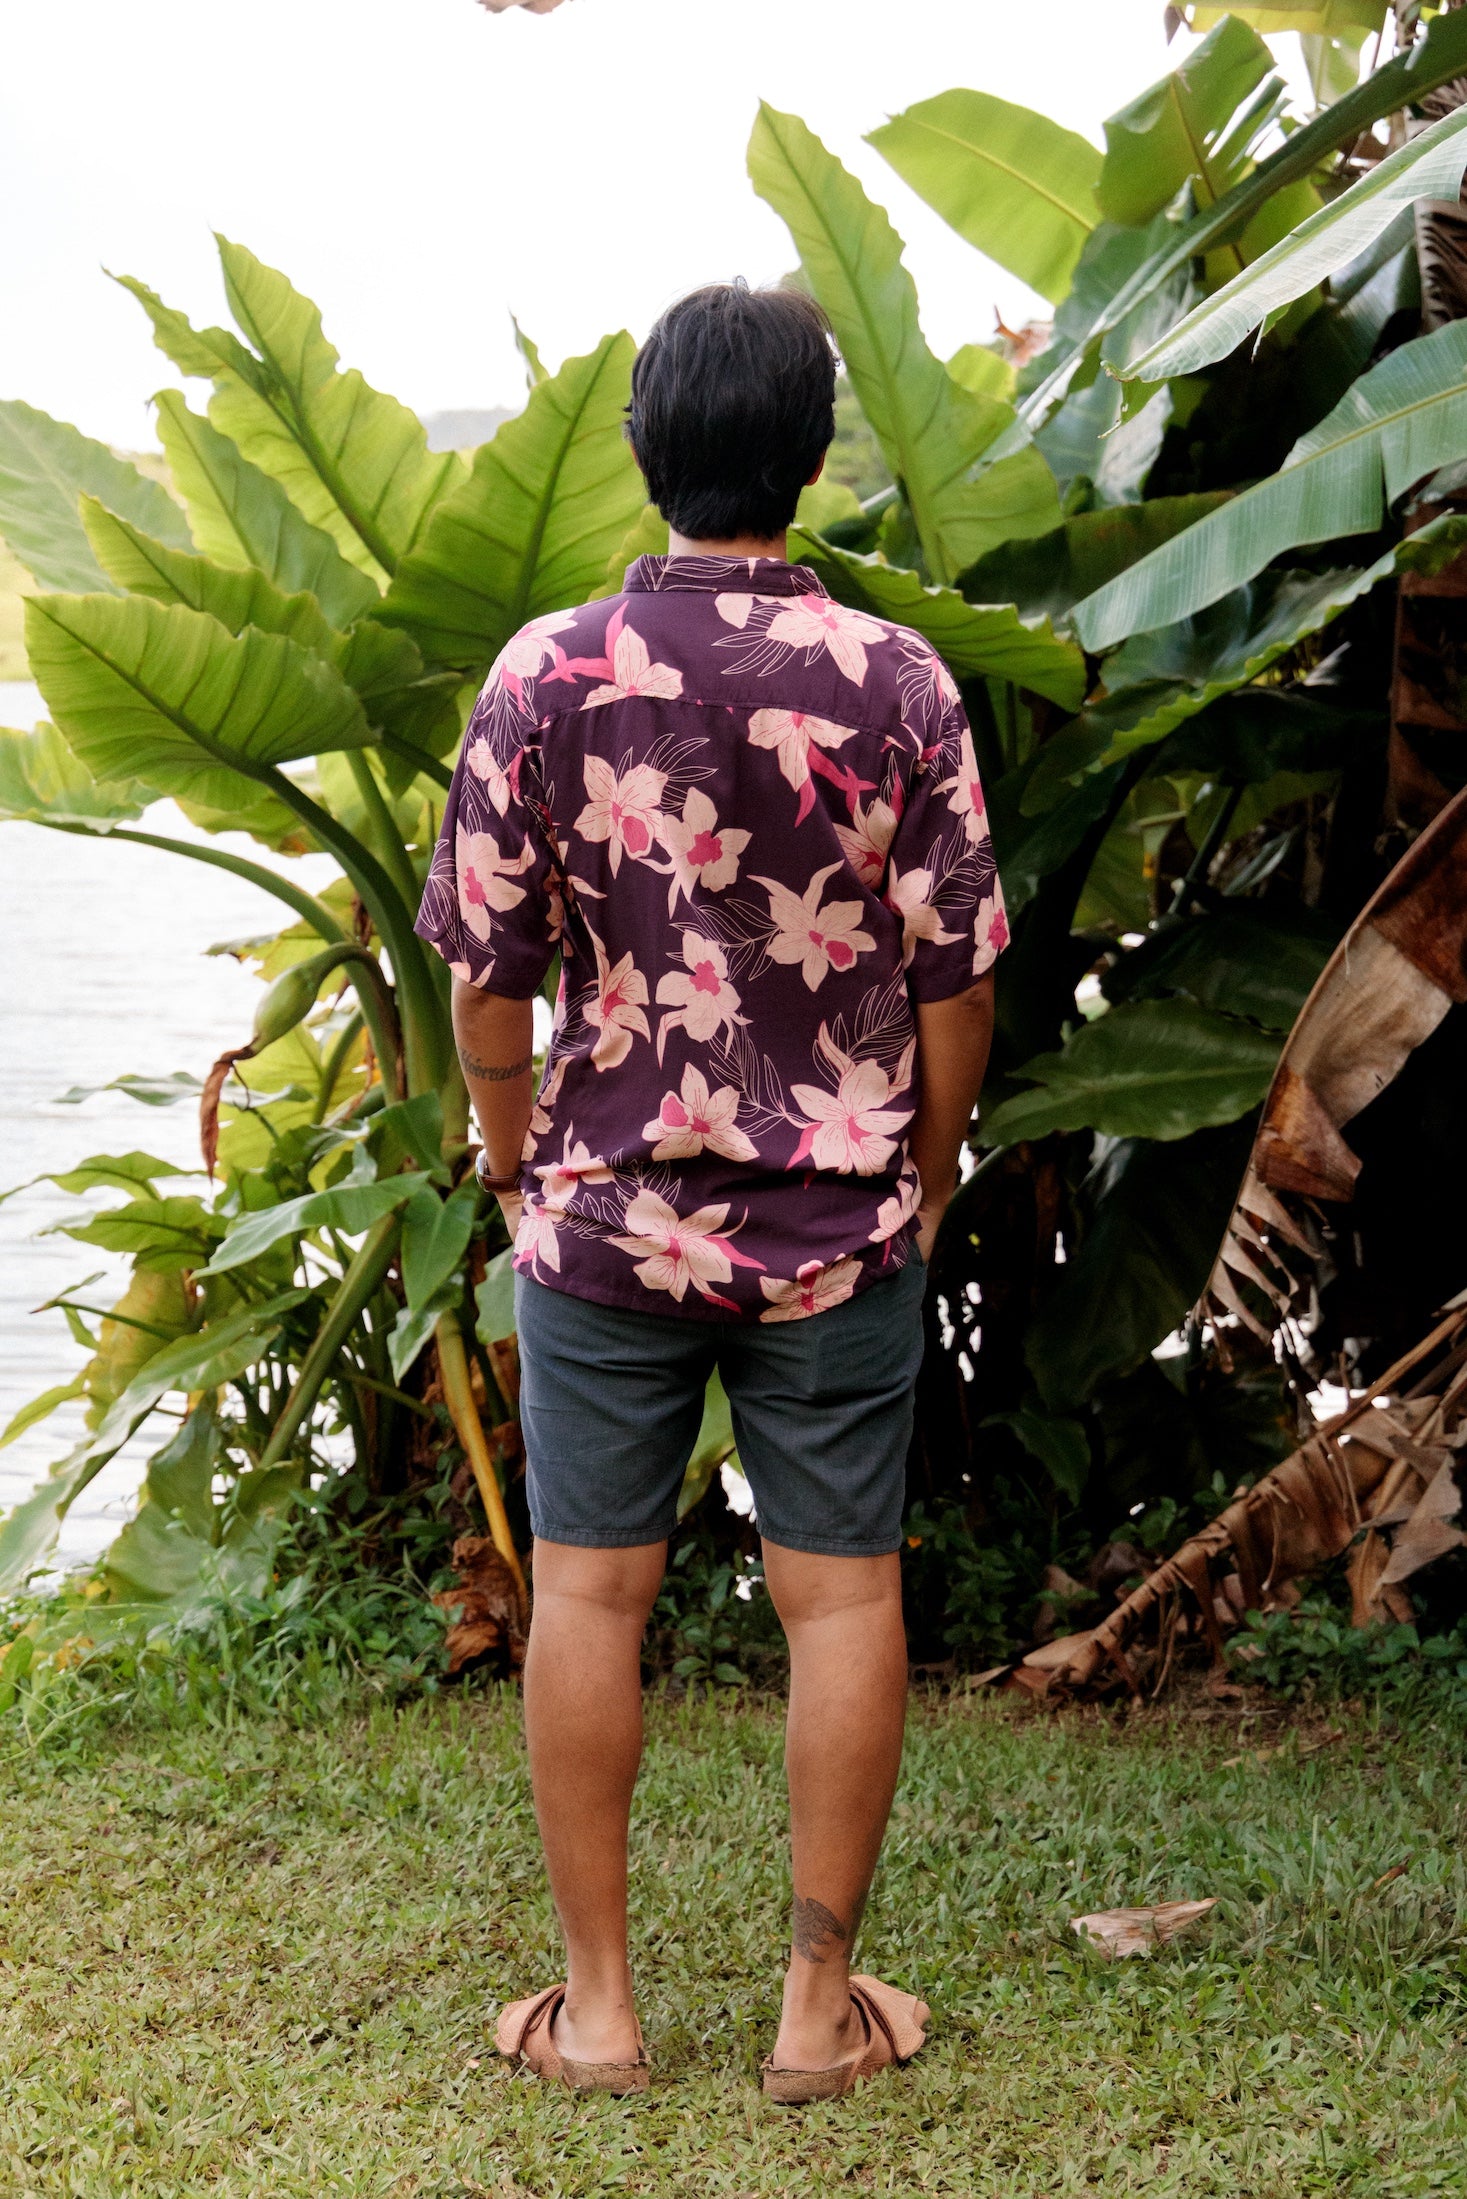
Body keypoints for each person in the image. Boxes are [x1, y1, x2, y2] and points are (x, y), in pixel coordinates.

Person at [415, 281, 1004, 2102]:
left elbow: (482, 977)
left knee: (589, 1599)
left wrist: (513, 1151)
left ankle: (596, 2015)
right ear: (815, 457)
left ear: (644, 450)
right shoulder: (898, 677)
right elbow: (956, 975)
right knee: (841, 1601)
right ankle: (817, 2017)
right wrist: (923, 1164)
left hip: (597, 1224)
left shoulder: (544, 672)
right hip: (837, 1231)